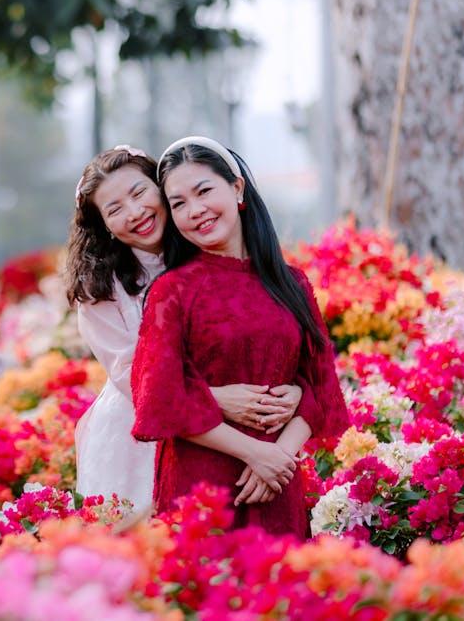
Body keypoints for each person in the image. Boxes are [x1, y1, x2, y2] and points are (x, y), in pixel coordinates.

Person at [64, 144, 302, 514]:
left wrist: (289, 390)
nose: (135, 212)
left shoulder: (206, 244)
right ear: (104, 227)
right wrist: (219, 398)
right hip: (138, 433)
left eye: (139, 193)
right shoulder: (101, 290)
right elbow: (133, 375)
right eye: (114, 210)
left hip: (222, 430)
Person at [130, 136, 350, 536]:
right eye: (178, 203)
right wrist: (256, 453)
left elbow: (322, 388)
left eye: (203, 191)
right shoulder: (172, 291)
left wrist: (278, 458)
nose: (195, 211)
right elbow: (157, 398)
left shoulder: (293, 283)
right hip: (201, 484)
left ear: (237, 188)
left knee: (282, 593)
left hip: (276, 483)